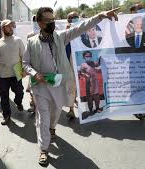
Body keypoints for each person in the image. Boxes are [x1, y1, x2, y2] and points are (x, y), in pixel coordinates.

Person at [23, 7, 119, 165]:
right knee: (43, 118)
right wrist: (34, 73)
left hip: (58, 85)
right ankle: (44, 149)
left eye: (53, 20)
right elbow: (25, 63)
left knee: (55, 113)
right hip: (40, 87)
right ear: (40, 23)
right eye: (48, 21)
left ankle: (52, 128)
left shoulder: (61, 37)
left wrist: (100, 16)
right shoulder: (31, 42)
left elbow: (81, 27)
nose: (52, 23)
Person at [0, 19, 25, 125]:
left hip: (16, 73)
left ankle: (18, 102)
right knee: (3, 96)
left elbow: (23, 57)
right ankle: (6, 115)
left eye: (12, 26)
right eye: (8, 26)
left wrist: (23, 70)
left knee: (19, 92)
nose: (11, 28)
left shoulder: (18, 40)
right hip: (3, 74)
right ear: (3, 28)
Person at [64, 11, 80, 121]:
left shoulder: (83, 31)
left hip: (82, 61)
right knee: (71, 87)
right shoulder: (65, 33)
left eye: (76, 17)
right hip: (70, 63)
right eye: (72, 18)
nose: (75, 19)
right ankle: (71, 110)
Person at [80, 51, 102, 117]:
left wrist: (101, 57)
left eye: (89, 56)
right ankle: (90, 109)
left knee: (96, 96)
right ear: (84, 57)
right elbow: (81, 72)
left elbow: (98, 64)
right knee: (89, 97)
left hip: (95, 82)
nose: (88, 57)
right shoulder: (83, 64)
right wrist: (85, 74)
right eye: (86, 56)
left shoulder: (93, 63)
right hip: (88, 82)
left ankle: (97, 108)